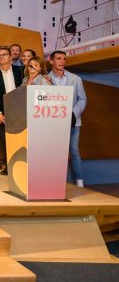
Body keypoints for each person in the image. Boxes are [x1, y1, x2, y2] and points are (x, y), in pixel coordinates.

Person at [49, 51, 87, 187]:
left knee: (74, 150)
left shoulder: (76, 79)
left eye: (64, 59)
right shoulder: (45, 79)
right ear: (51, 61)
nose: (62, 61)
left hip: (73, 122)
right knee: (55, 151)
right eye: (58, 58)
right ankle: (56, 181)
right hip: (53, 122)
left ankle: (80, 182)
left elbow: (82, 100)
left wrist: (72, 114)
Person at [0, 47, 23, 175]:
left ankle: (21, 166)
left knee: (20, 139)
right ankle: (9, 166)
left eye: (4, 54)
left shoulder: (20, 71)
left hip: (19, 110)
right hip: (2, 112)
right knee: (5, 140)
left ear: (10, 57)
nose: (1, 57)